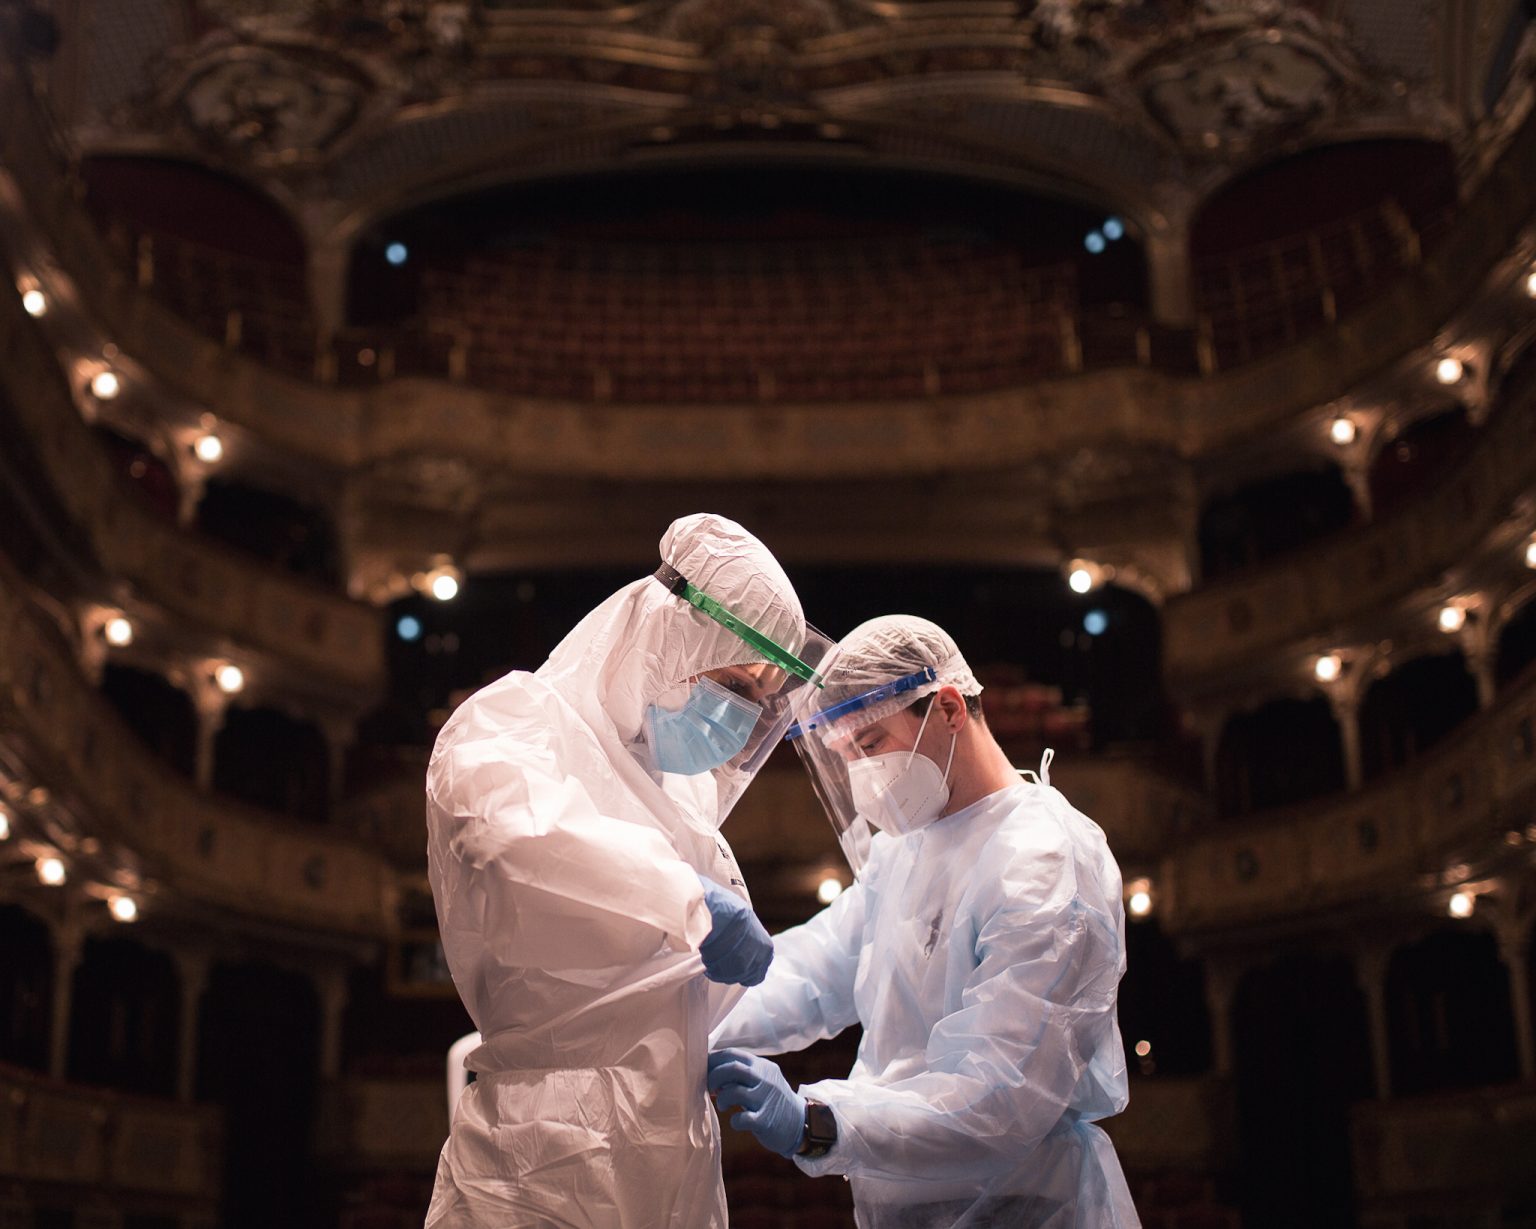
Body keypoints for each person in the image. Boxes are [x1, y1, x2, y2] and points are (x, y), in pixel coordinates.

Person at [425, 513, 832, 1229]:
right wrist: (686, 895)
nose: (736, 714)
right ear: (669, 634)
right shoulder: (515, 720)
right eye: (731, 681)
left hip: (674, 1164)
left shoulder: (682, 791)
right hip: (540, 1161)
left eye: (756, 698)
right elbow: (510, 836)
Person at [708, 614, 1140, 1228]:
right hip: (907, 1204)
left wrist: (818, 1121)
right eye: (844, 755)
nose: (862, 775)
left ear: (946, 708)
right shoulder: (906, 849)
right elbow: (812, 974)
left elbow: (1003, 1096)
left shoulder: (1042, 860)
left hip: (1028, 1207)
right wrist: (694, 1015)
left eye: (870, 744)